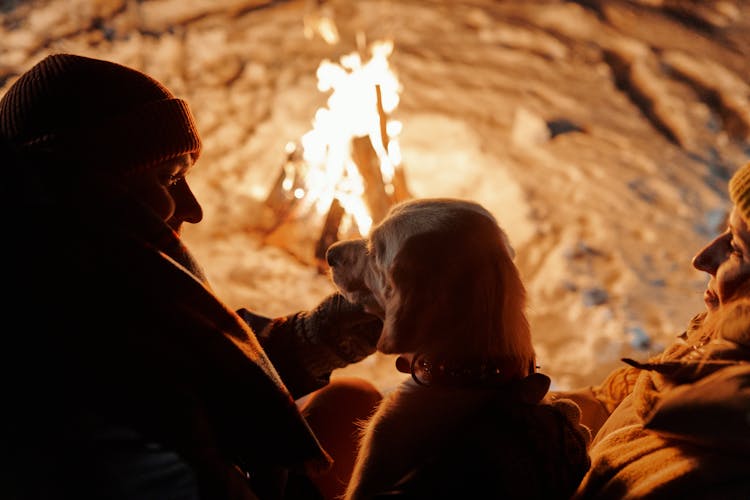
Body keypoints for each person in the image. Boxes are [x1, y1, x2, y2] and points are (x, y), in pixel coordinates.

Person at [0, 53, 383, 500]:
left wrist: (314, 339)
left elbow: (196, 365)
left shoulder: (78, 265)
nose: (194, 209)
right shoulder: (61, 328)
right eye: (169, 178)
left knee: (351, 403)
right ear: (95, 185)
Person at [555, 161, 750, 498]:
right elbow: (613, 402)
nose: (701, 258)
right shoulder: (710, 357)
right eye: (725, 230)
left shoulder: (721, 478)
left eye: (736, 247)